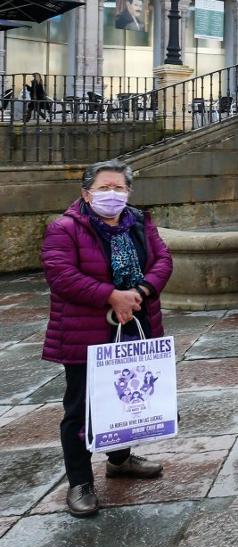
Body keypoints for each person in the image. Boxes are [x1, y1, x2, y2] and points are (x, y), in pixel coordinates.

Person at [41, 160, 173, 518]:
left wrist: (140, 291)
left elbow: (162, 260)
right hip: (88, 329)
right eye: (104, 188)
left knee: (127, 397)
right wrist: (110, 295)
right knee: (81, 407)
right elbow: (61, 275)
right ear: (87, 193)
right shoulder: (65, 228)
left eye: (119, 188)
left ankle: (119, 459)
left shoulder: (140, 223)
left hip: (136, 321)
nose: (112, 194)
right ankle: (80, 481)